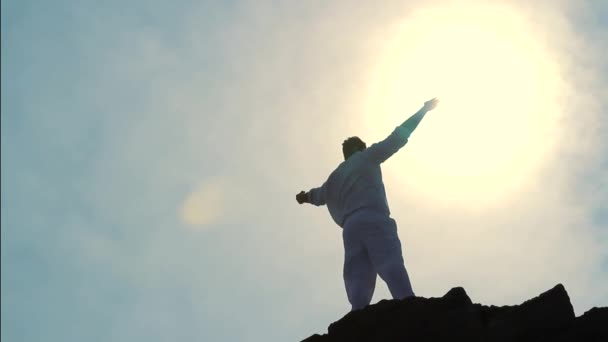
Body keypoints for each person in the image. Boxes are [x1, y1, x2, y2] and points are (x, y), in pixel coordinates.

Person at [296, 98, 440, 311]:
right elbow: (398, 136)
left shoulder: (334, 178)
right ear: (360, 148)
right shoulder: (367, 157)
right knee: (389, 260)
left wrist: (303, 197)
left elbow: (316, 196)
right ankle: (408, 303)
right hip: (373, 217)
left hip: (350, 228)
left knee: (358, 274)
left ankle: (357, 314)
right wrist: (424, 110)